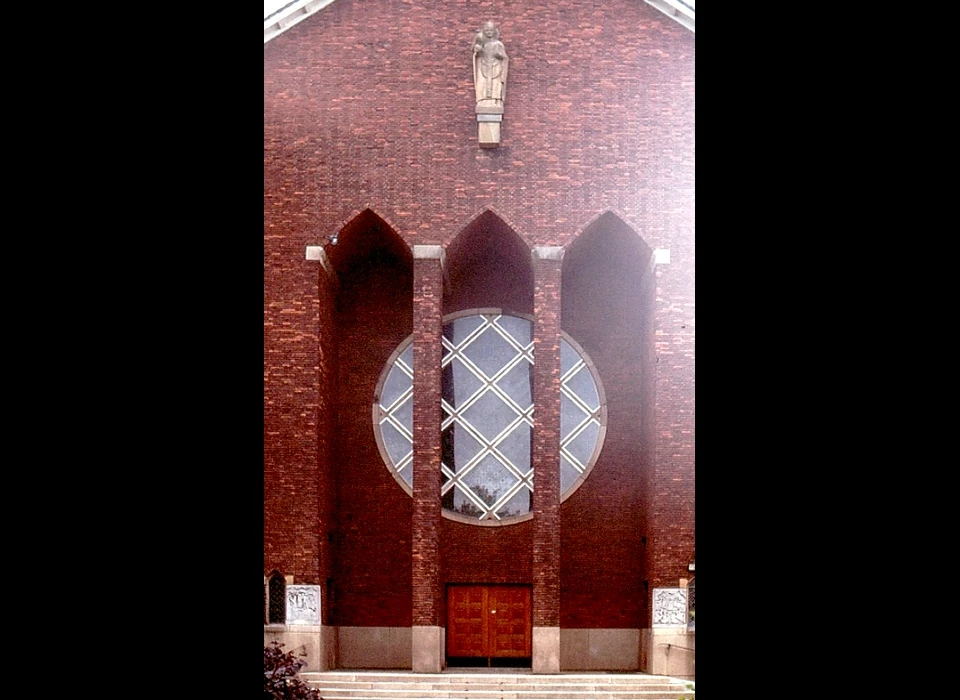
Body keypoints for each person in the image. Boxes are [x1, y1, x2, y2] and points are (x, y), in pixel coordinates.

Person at [472, 21, 508, 113]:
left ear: (494, 31)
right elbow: (475, 54)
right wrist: (477, 51)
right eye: (487, 30)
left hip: (496, 69)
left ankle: (495, 100)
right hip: (483, 68)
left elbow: (505, 58)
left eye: (491, 30)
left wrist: (500, 56)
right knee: (482, 84)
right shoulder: (482, 44)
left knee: (496, 84)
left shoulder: (498, 44)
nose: (489, 32)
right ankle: (482, 100)